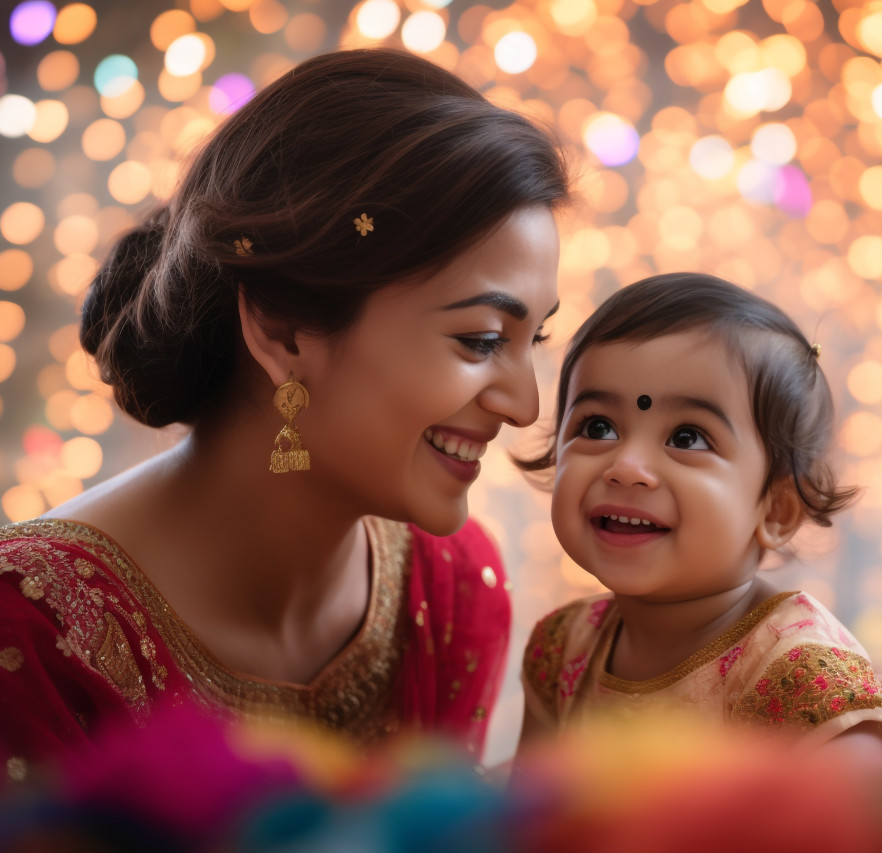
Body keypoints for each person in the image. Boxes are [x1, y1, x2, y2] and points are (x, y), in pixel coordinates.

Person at [0, 48, 568, 779]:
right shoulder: (30, 635)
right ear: (283, 330)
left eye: (534, 339)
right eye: (482, 340)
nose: (525, 406)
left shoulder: (451, 587)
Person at [516, 274, 882, 759]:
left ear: (777, 510)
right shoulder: (561, 649)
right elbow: (527, 806)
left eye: (687, 438)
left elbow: (852, 812)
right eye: (598, 427)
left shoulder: (804, 681)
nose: (627, 467)